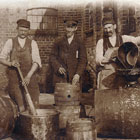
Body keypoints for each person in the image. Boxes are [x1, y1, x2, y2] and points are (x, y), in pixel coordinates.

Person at [0, 19, 42, 112]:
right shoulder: (10, 42)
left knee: (33, 106)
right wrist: (11, 63)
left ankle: (33, 125)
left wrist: (28, 76)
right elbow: (1, 58)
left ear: (28, 31)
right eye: (21, 30)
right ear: (17, 29)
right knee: (19, 107)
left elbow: (37, 62)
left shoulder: (33, 43)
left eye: (25, 31)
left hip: (30, 79)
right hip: (15, 79)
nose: (23, 32)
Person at [96, 17, 136, 89]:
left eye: (109, 27)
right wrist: (109, 60)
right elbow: (98, 59)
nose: (108, 30)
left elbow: (136, 40)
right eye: (105, 28)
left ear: (114, 26)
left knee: (119, 96)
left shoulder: (123, 39)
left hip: (121, 75)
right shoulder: (101, 42)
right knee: (106, 97)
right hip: (107, 76)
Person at [50, 19, 87, 89]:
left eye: (71, 27)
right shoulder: (58, 41)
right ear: (65, 28)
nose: (69, 30)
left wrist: (78, 74)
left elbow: (83, 60)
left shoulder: (80, 42)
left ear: (76, 28)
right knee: (61, 97)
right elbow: (52, 57)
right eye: (67, 27)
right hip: (61, 77)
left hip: (74, 77)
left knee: (75, 97)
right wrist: (58, 67)